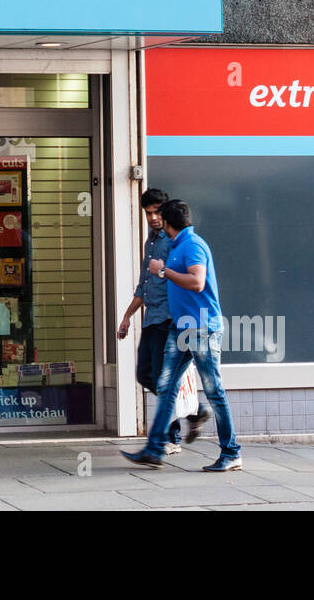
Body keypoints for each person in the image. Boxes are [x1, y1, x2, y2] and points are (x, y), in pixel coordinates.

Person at [122, 199, 242, 472]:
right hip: (181, 329)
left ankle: (232, 452)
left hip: (202, 329)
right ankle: (154, 450)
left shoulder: (193, 245)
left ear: (167, 222)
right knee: (165, 387)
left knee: (214, 391)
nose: (156, 221)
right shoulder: (177, 245)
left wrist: (164, 271)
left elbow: (197, 282)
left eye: (159, 217)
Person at [117, 187, 200, 451]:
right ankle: (193, 414)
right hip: (151, 317)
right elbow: (144, 284)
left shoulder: (172, 241)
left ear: (165, 214)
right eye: (148, 212)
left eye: (157, 212)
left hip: (169, 317)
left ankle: (171, 437)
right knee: (145, 375)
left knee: (163, 379)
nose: (153, 217)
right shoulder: (150, 242)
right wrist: (127, 316)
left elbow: (187, 279)